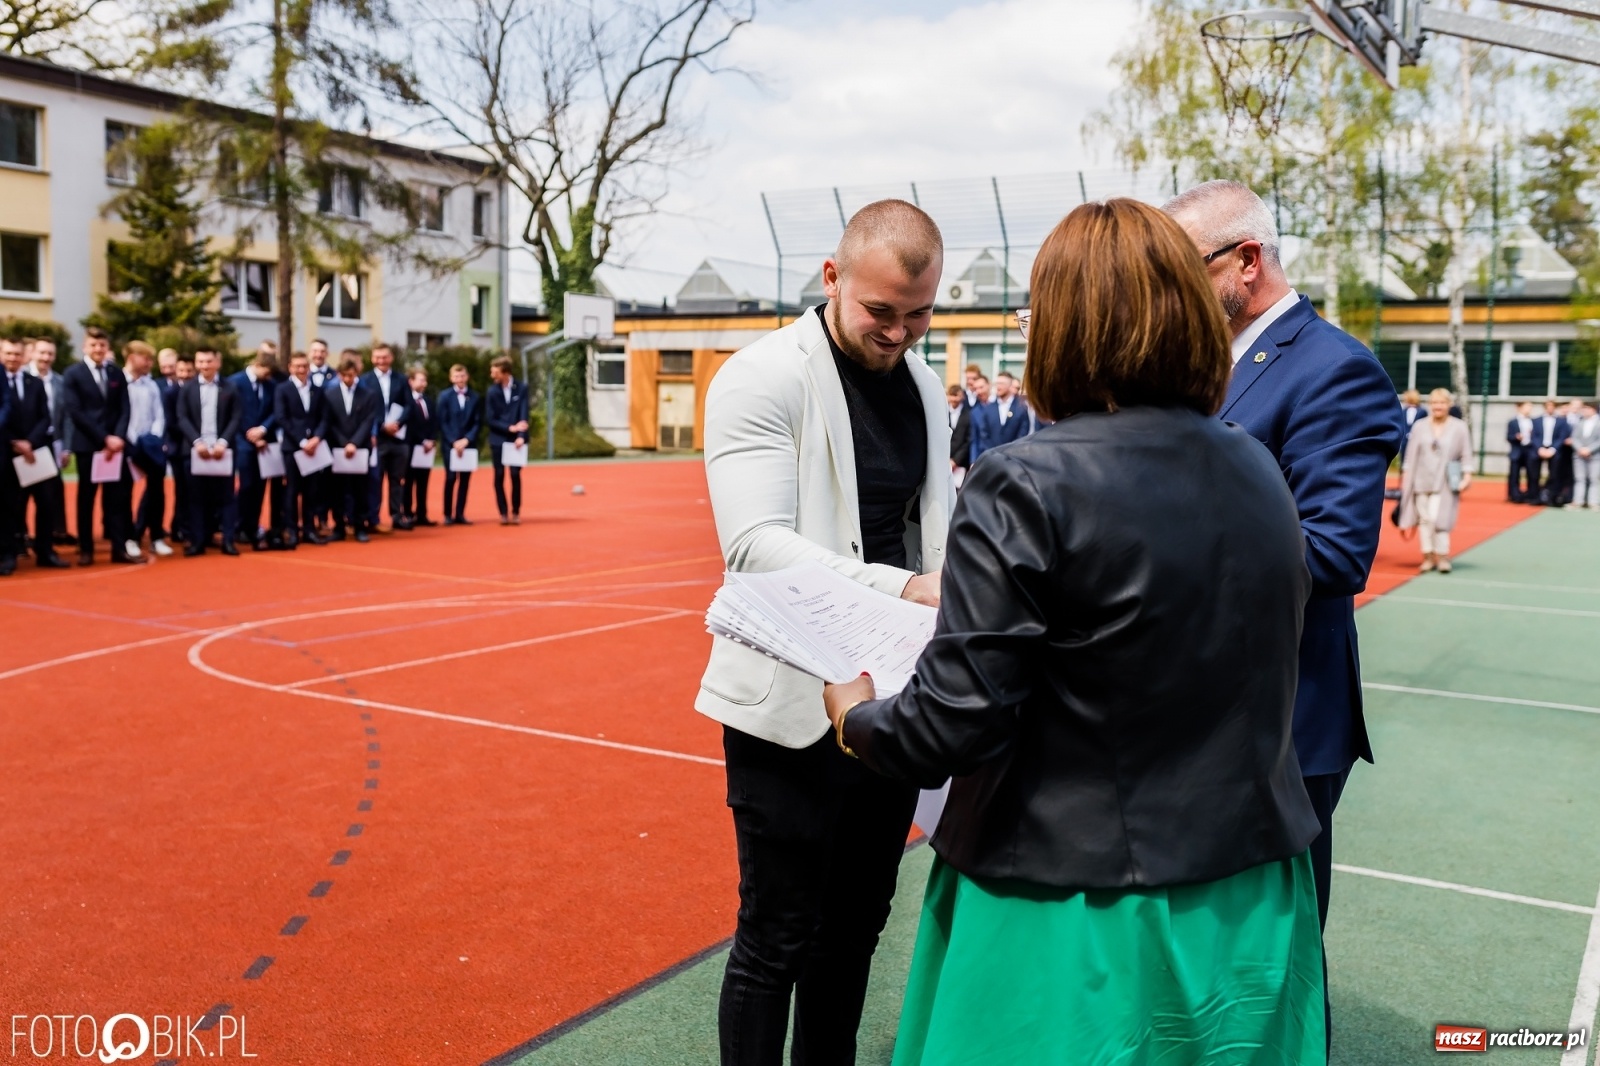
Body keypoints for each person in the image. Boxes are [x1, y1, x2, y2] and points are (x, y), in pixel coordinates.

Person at [823, 197, 1324, 1066]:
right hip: (1252, 885)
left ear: (1058, 326)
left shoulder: (1025, 480)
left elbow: (956, 720)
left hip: (1071, 897)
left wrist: (856, 717)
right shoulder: (1254, 462)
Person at [699, 199, 950, 1066]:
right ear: (832, 277)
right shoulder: (760, 376)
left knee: (854, 933)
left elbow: (932, 526)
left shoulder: (923, 381)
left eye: (919, 315)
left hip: (889, 702)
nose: (899, 333)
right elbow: (755, 548)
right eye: (881, 312)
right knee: (776, 937)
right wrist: (912, 588)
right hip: (789, 705)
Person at [1165, 180, 1402, 1048]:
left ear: (1247, 262)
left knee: (1279, 959)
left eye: (1181, 269)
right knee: (1215, 958)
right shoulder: (1208, 364)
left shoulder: (1332, 366)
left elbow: (1335, 552)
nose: (1167, 290)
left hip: (1283, 723)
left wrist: (1156, 554)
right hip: (1207, 712)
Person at [62, 326, 141, 566]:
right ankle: (86, 549)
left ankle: (119, 548)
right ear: (85, 347)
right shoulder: (73, 374)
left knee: (116, 500)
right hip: (88, 446)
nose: (98, 349)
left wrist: (116, 438)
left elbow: (125, 409)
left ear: (107, 348)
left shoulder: (116, 373)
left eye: (102, 345)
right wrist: (103, 439)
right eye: (93, 345)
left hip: (115, 447)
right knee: (86, 499)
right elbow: (75, 411)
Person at [1, 339, 68, 572]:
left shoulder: (34, 383)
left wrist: (30, 442)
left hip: (37, 452)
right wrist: (15, 443)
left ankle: (45, 551)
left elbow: (45, 417)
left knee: (47, 503)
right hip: (7, 453)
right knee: (9, 506)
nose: (13, 358)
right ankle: (8, 555)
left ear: (24, 356)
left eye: (17, 354)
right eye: (8, 353)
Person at [1398, 388, 1473, 573]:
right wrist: (1406, 478)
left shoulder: (1459, 427)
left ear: (1449, 405)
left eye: (1441, 403)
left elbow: (1466, 454)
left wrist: (1467, 476)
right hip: (1420, 480)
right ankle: (1428, 556)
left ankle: (1443, 556)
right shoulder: (1420, 426)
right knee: (1424, 519)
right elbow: (1410, 454)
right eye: (1434, 403)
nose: (1438, 406)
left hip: (1445, 481)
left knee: (1438, 518)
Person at [176, 347, 241, 556]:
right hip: (196, 452)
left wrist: (223, 442)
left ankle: (228, 541)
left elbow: (236, 418)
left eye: (208, 361)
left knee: (226, 498)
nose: (204, 366)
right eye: (201, 362)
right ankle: (198, 541)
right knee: (196, 499)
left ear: (217, 363)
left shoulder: (230, 388)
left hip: (223, 451)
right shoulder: (187, 388)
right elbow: (182, 418)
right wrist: (197, 442)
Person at [122, 341, 174, 558]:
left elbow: (158, 415)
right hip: (126, 445)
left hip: (150, 445)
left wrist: (152, 437)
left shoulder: (151, 385)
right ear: (132, 357)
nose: (150, 363)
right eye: (146, 358)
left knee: (156, 491)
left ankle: (155, 537)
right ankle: (128, 538)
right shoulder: (119, 381)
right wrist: (131, 440)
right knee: (123, 494)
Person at [274, 350, 329, 547]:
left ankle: (309, 529)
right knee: (291, 490)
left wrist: (316, 438)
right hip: (293, 449)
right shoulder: (283, 389)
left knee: (312, 491)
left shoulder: (317, 390)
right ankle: (291, 530)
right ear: (290, 367)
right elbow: (282, 418)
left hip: (315, 448)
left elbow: (324, 417)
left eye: (304, 366)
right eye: (297, 366)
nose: (301, 369)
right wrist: (302, 442)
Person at [228, 350, 281, 550]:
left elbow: (276, 411)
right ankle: (238, 526)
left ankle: (252, 526)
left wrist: (263, 430)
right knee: (246, 486)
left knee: (260, 488)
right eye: (266, 373)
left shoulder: (271, 385)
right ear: (258, 366)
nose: (268, 378)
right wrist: (250, 434)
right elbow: (234, 412)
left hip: (264, 442)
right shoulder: (235, 382)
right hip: (242, 442)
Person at [326, 350, 380, 543]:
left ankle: (359, 526)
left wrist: (354, 443)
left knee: (361, 489)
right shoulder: (330, 394)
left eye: (351, 375)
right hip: (338, 448)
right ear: (339, 374)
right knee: (337, 489)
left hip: (360, 447)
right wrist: (344, 443)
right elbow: (329, 422)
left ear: (356, 373)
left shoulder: (368, 394)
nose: (348, 378)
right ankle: (339, 526)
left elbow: (368, 421)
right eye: (344, 375)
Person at [26, 337, 73, 547]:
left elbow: (67, 417)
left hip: (53, 441)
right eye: (42, 353)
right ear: (33, 353)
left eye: (50, 354)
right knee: (20, 495)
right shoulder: (23, 378)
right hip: (26, 444)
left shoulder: (60, 382)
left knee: (50, 493)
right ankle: (21, 537)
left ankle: (53, 535)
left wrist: (66, 447)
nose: (46, 358)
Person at [361, 343, 412, 532]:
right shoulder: (365, 379)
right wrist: (382, 426)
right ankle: (372, 518)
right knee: (374, 481)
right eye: (377, 357)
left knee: (397, 480)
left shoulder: (401, 379)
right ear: (373, 358)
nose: (381, 361)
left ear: (391, 358)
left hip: (399, 438)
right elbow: (365, 407)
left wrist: (397, 424)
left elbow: (409, 405)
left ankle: (397, 516)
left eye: (385, 357)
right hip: (377, 439)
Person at [485, 355, 530, 525]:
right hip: (498, 439)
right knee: (499, 475)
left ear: (505, 372)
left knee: (515, 475)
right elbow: (490, 418)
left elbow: (524, 414)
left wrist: (520, 436)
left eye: (495, 372)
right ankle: (503, 512)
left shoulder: (522, 388)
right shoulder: (492, 391)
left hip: (516, 441)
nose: (492, 375)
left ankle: (516, 511)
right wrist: (509, 428)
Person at [438, 363, 481, 525]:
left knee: (465, 480)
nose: (459, 379)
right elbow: (442, 422)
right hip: (451, 445)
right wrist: (454, 441)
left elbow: (477, 422)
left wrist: (467, 440)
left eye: (462, 376)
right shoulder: (444, 396)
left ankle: (460, 514)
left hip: (468, 445)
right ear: (451, 378)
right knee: (450, 478)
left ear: (467, 377)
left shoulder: (475, 397)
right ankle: (447, 514)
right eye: (456, 376)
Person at [968, 369, 1032, 466]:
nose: (998, 387)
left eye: (1001, 383)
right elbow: (984, 436)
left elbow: (1023, 434)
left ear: (1010, 386)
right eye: (997, 383)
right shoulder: (988, 409)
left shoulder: (1021, 409)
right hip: (992, 461)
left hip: (1013, 461)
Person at [166, 354, 195, 545]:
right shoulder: (170, 393)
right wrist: (194, 435)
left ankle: (190, 527)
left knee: (195, 491)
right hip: (178, 449)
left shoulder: (197, 390)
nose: (184, 375)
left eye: (188, 371)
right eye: (181, 371)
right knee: (182, 491)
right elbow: (171, 423)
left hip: (198, 448)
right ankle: (179, 528)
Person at [404, 365, 438, 526]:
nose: (424, 383)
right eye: (421, 379)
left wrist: (431, 440)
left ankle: (422, 514)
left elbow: (433, 422)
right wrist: (422, 440)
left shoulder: (428, 401)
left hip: (426, 449)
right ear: (411, 381)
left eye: (425, 380)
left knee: (423, 482)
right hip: (411, 447)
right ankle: (408, 514)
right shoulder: (406, 401)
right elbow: (410, 425)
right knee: (409, 481)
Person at [1532, 399, 1569, 505]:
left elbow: (1562, 436)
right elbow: (1534, 436)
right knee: (1535, 475)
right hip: (1539, 449)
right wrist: (1539, 448)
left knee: (1554, 475)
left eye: (1552, 406)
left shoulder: (1561, 421)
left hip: (1554, 450)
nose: (1550, 408)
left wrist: (1553, 449)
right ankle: (1536, 497)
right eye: (1548, 406)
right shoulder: (1536, 420)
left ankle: (1552, 498)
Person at [1569, 400, 1600, 511]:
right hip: (1579, 455)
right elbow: (1574, 438)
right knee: (1579, 478)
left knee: (1594, 479)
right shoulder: (1579, 422)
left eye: (1586, 409)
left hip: (1595, 456)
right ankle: (1578, 501)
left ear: (1593, 409)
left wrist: (1589, 450)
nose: (1584, 411)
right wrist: (1580, 449)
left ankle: (1593, 502)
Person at [1506, 401, 1535, 503]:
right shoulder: (1512, 422)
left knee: (1531, 474)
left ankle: (1530, 495)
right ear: (1520, 408)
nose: (1529, 409)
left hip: (1529, 450)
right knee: (1514, 474)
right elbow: (1508, 437)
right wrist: (1516, 437)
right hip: (1517, 450)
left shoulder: (1533, 421)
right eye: (1527, 407)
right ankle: (1514, 495)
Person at [946, 384, 970, 489]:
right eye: (952, 395)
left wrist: (955, 460)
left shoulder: (969, 415)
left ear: (962, 397)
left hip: (961, 463)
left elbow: (968, 440)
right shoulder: (942, 412)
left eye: (957, 395)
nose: (954, 399)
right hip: (943, 459)